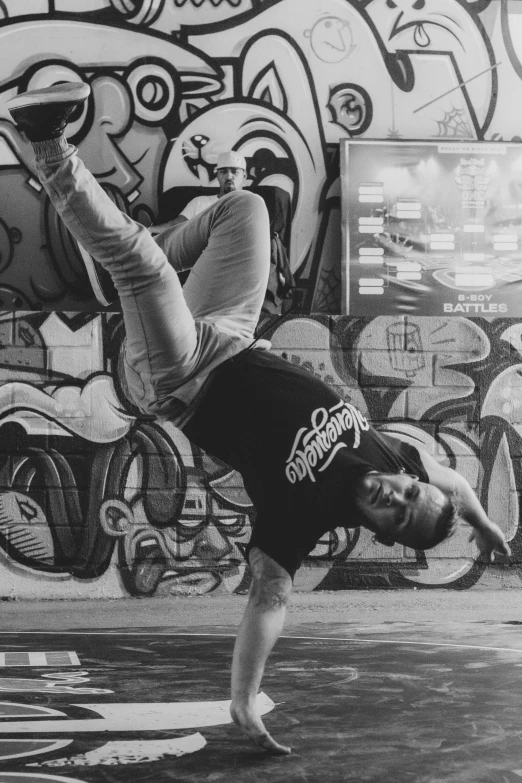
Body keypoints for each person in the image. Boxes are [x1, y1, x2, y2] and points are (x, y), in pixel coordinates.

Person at [8, 82, 511, 756]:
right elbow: (452, 479)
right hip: (233, 333)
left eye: (395, 515)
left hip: (175, 372)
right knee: (245, 209)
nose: (395, 495)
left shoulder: (306, 513)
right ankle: (127, 241)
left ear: (380, 530)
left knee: (146, 270)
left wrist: (243, 695)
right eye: (409, 494)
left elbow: (269, 602)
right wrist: (485, 523)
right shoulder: (399, 460)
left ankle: (48, 147)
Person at [150, 149, 248, 238]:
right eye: (223, 172)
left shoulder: (251, 204)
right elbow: (174, 225)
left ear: (244, 176)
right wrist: (149, 230)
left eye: (234, 172)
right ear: (217, 175)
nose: (229, 176)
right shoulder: (199, 202)